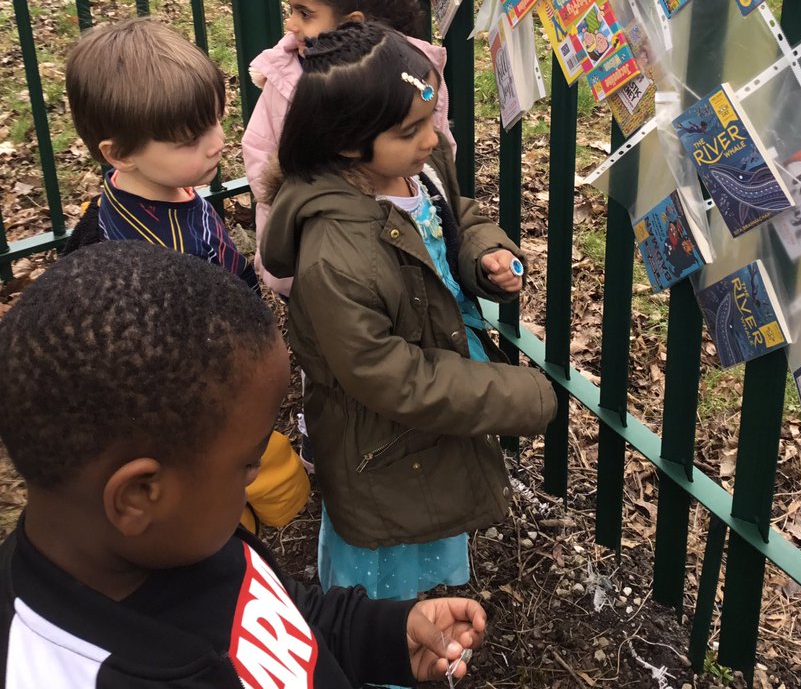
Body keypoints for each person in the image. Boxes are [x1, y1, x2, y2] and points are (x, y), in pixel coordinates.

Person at [0, 244, 486, 689]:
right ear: (139, 495)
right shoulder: (57, 671)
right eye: (248, 462)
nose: (257, 474)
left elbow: (277, 611)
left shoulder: (178, 539)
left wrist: (379, 635)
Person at [260, 22, 556, 606]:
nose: (432, 138)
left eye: (430, 117)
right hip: (382, 442)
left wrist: (486, 255)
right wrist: (510, 393)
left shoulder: (412, 169)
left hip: (440, 389)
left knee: (433, 519)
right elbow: (387, 375)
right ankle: (378, 649)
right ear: (348, 143)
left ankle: (430, 621)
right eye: (411, 129)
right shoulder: (335, 258)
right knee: (386, 553)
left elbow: (456, 216)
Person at [63, 16, 308, 534]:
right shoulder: (134, 265)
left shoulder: (167, 187)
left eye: (217, 121)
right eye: (189, 139)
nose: (218, 142)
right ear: (118, 153)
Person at [243, 0, 455, 299]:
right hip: (321, 238)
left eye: (305, 14)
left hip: (404, 223)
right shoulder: (285, 77)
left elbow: (437, 144)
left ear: (353, 22)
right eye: (291, 10)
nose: (290, 24)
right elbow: (261, 152)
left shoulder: (411, 72)